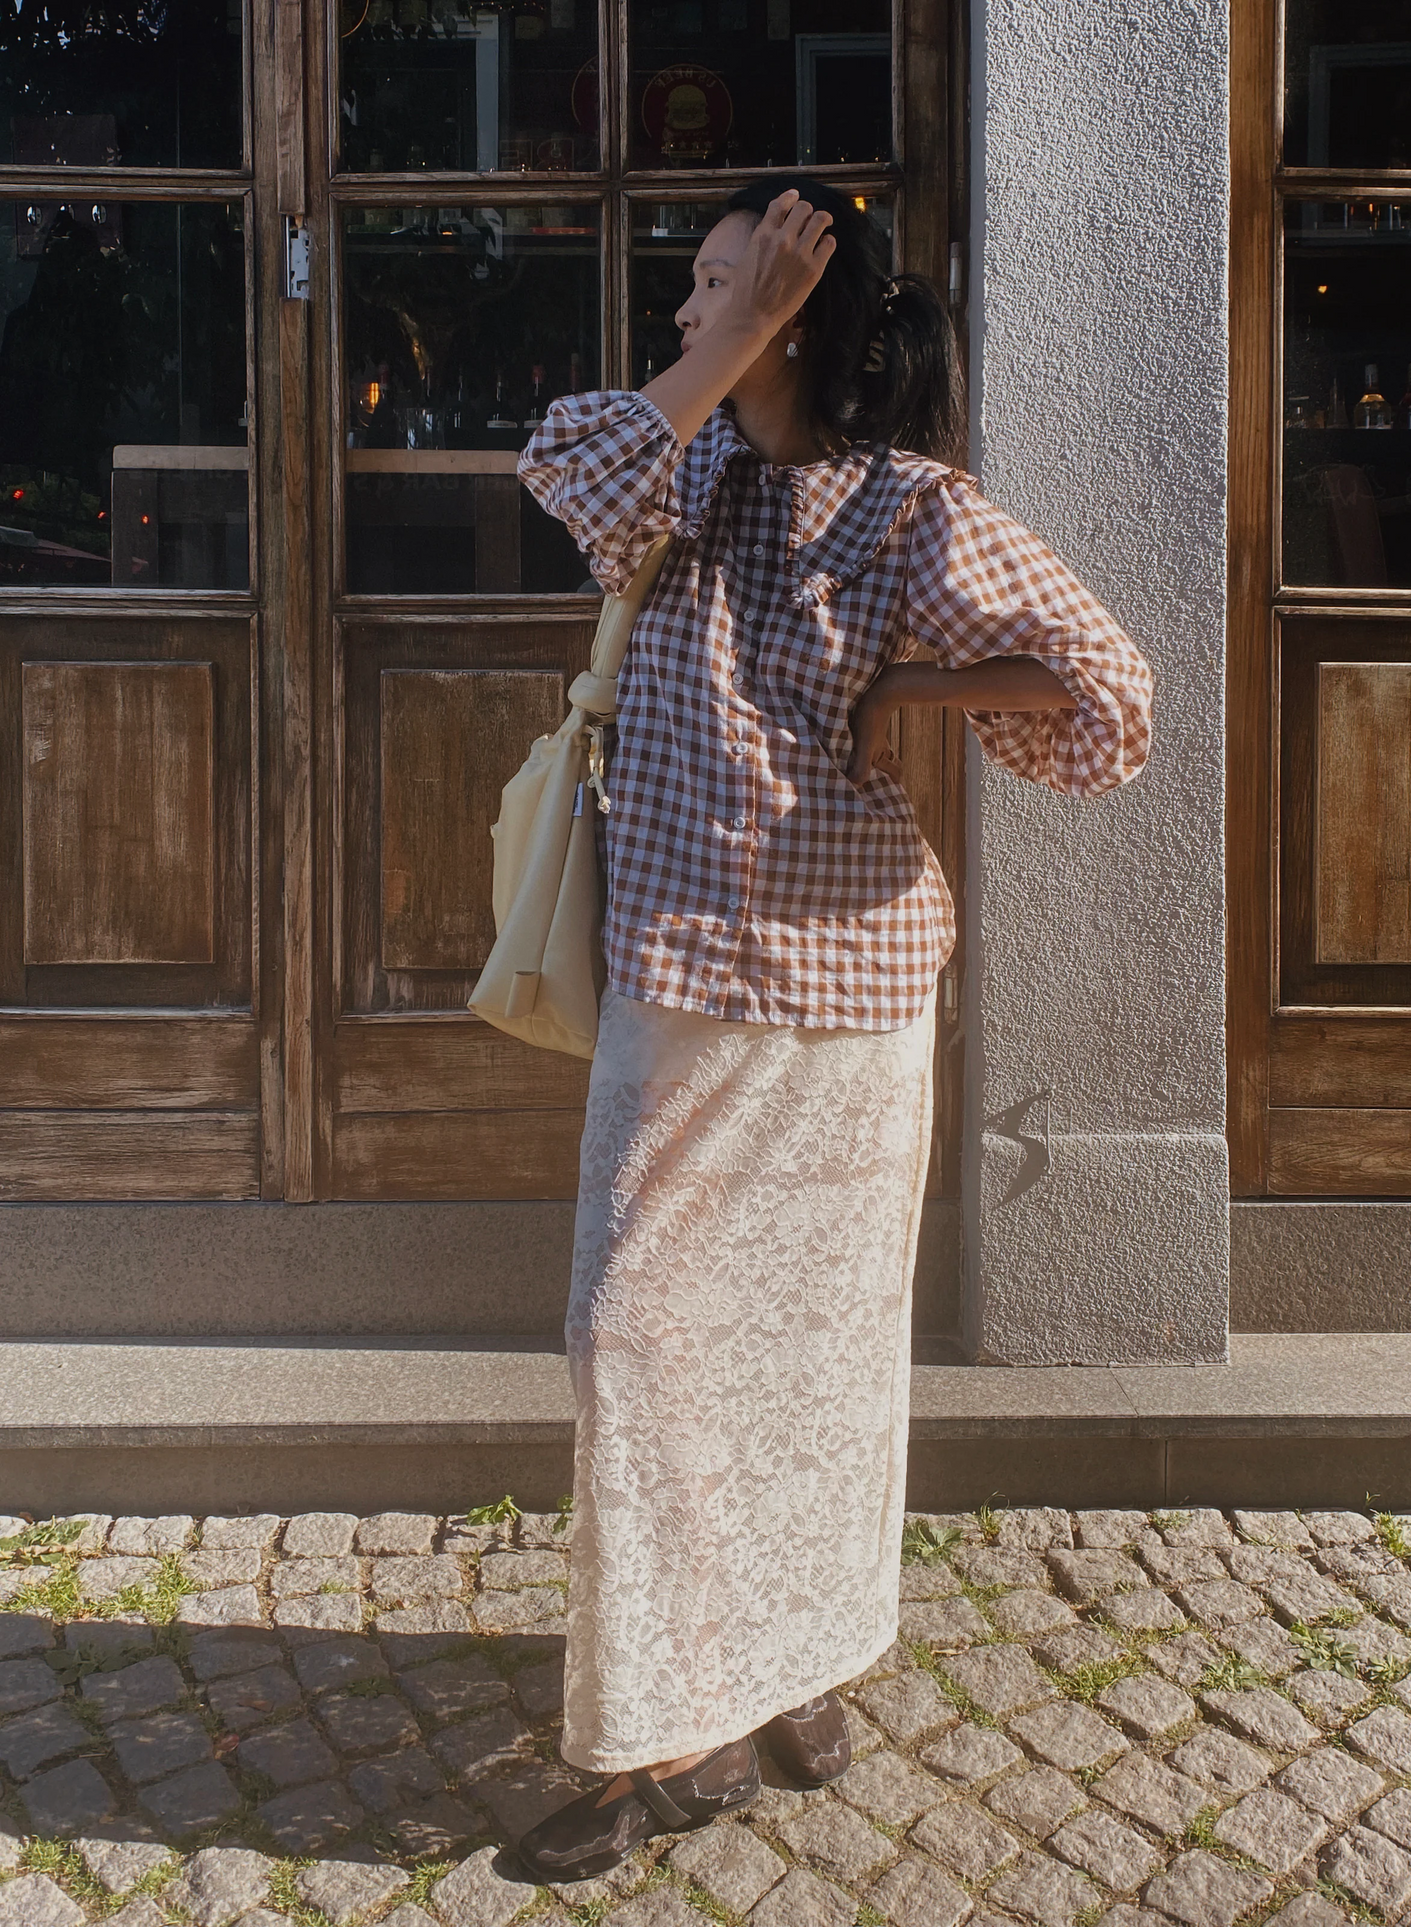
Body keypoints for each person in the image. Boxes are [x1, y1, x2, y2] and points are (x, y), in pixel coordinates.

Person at [512, 176, 1152, 1884]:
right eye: (696, 295)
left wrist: (915, 693)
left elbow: (1111, 695)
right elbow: (561, 465)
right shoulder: (676, 477)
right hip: (682, 984)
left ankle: (790, 1673)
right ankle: (664, 1715)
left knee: (820, 1358)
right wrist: (730, 340)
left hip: (856, 1005)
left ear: (795, 316)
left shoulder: (919, 511)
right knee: (631, 1337)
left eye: (720, 289)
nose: (684, 315)